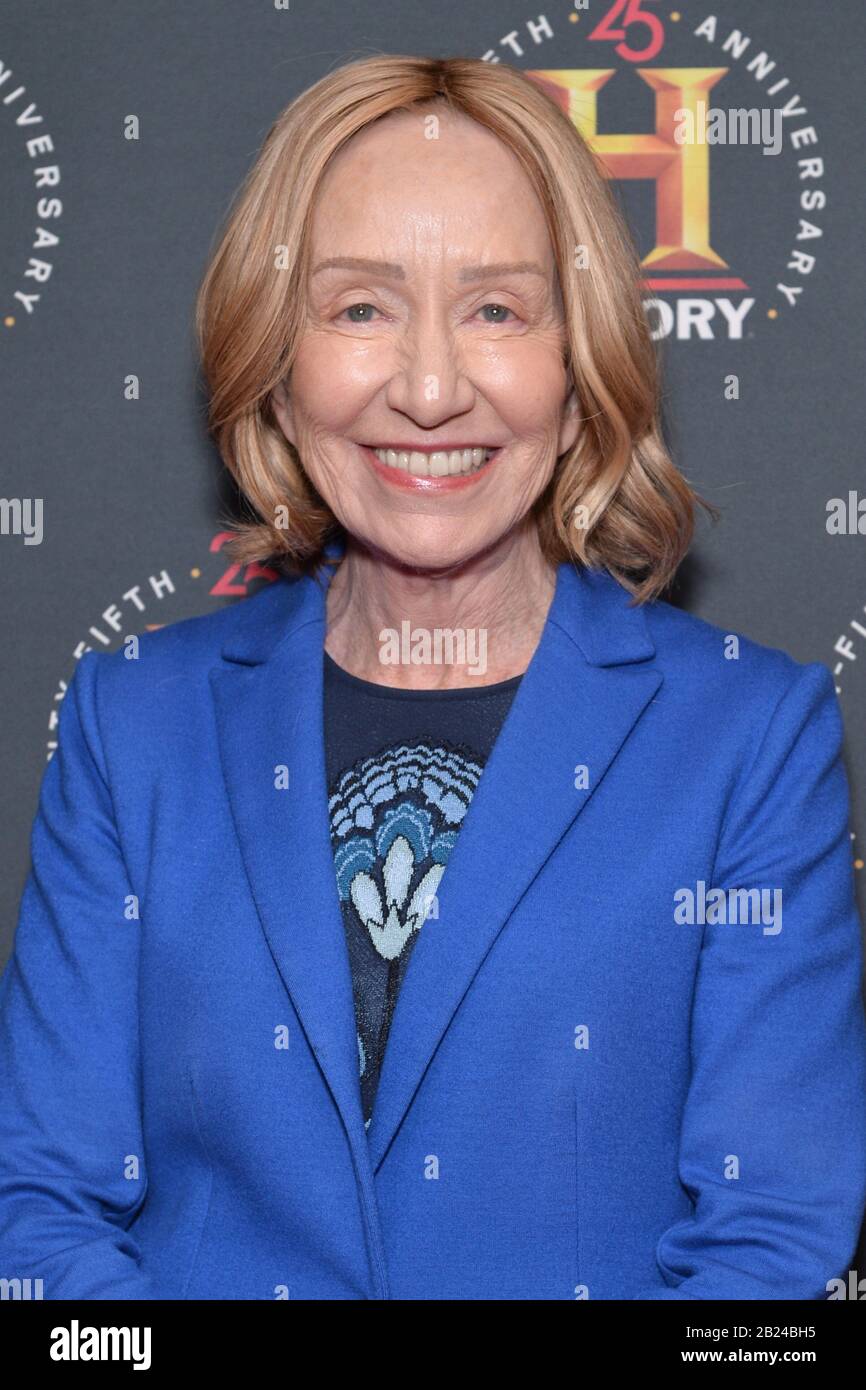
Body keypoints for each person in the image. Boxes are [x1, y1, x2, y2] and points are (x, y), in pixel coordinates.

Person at [0, 55, 864, 1301]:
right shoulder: (132, 723)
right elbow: (41, 1214)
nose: (426, 387)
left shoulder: (748, 740)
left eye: (497, 311)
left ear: (580, 380)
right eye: (358, 308)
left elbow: (770, 1258)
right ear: (276, 370)